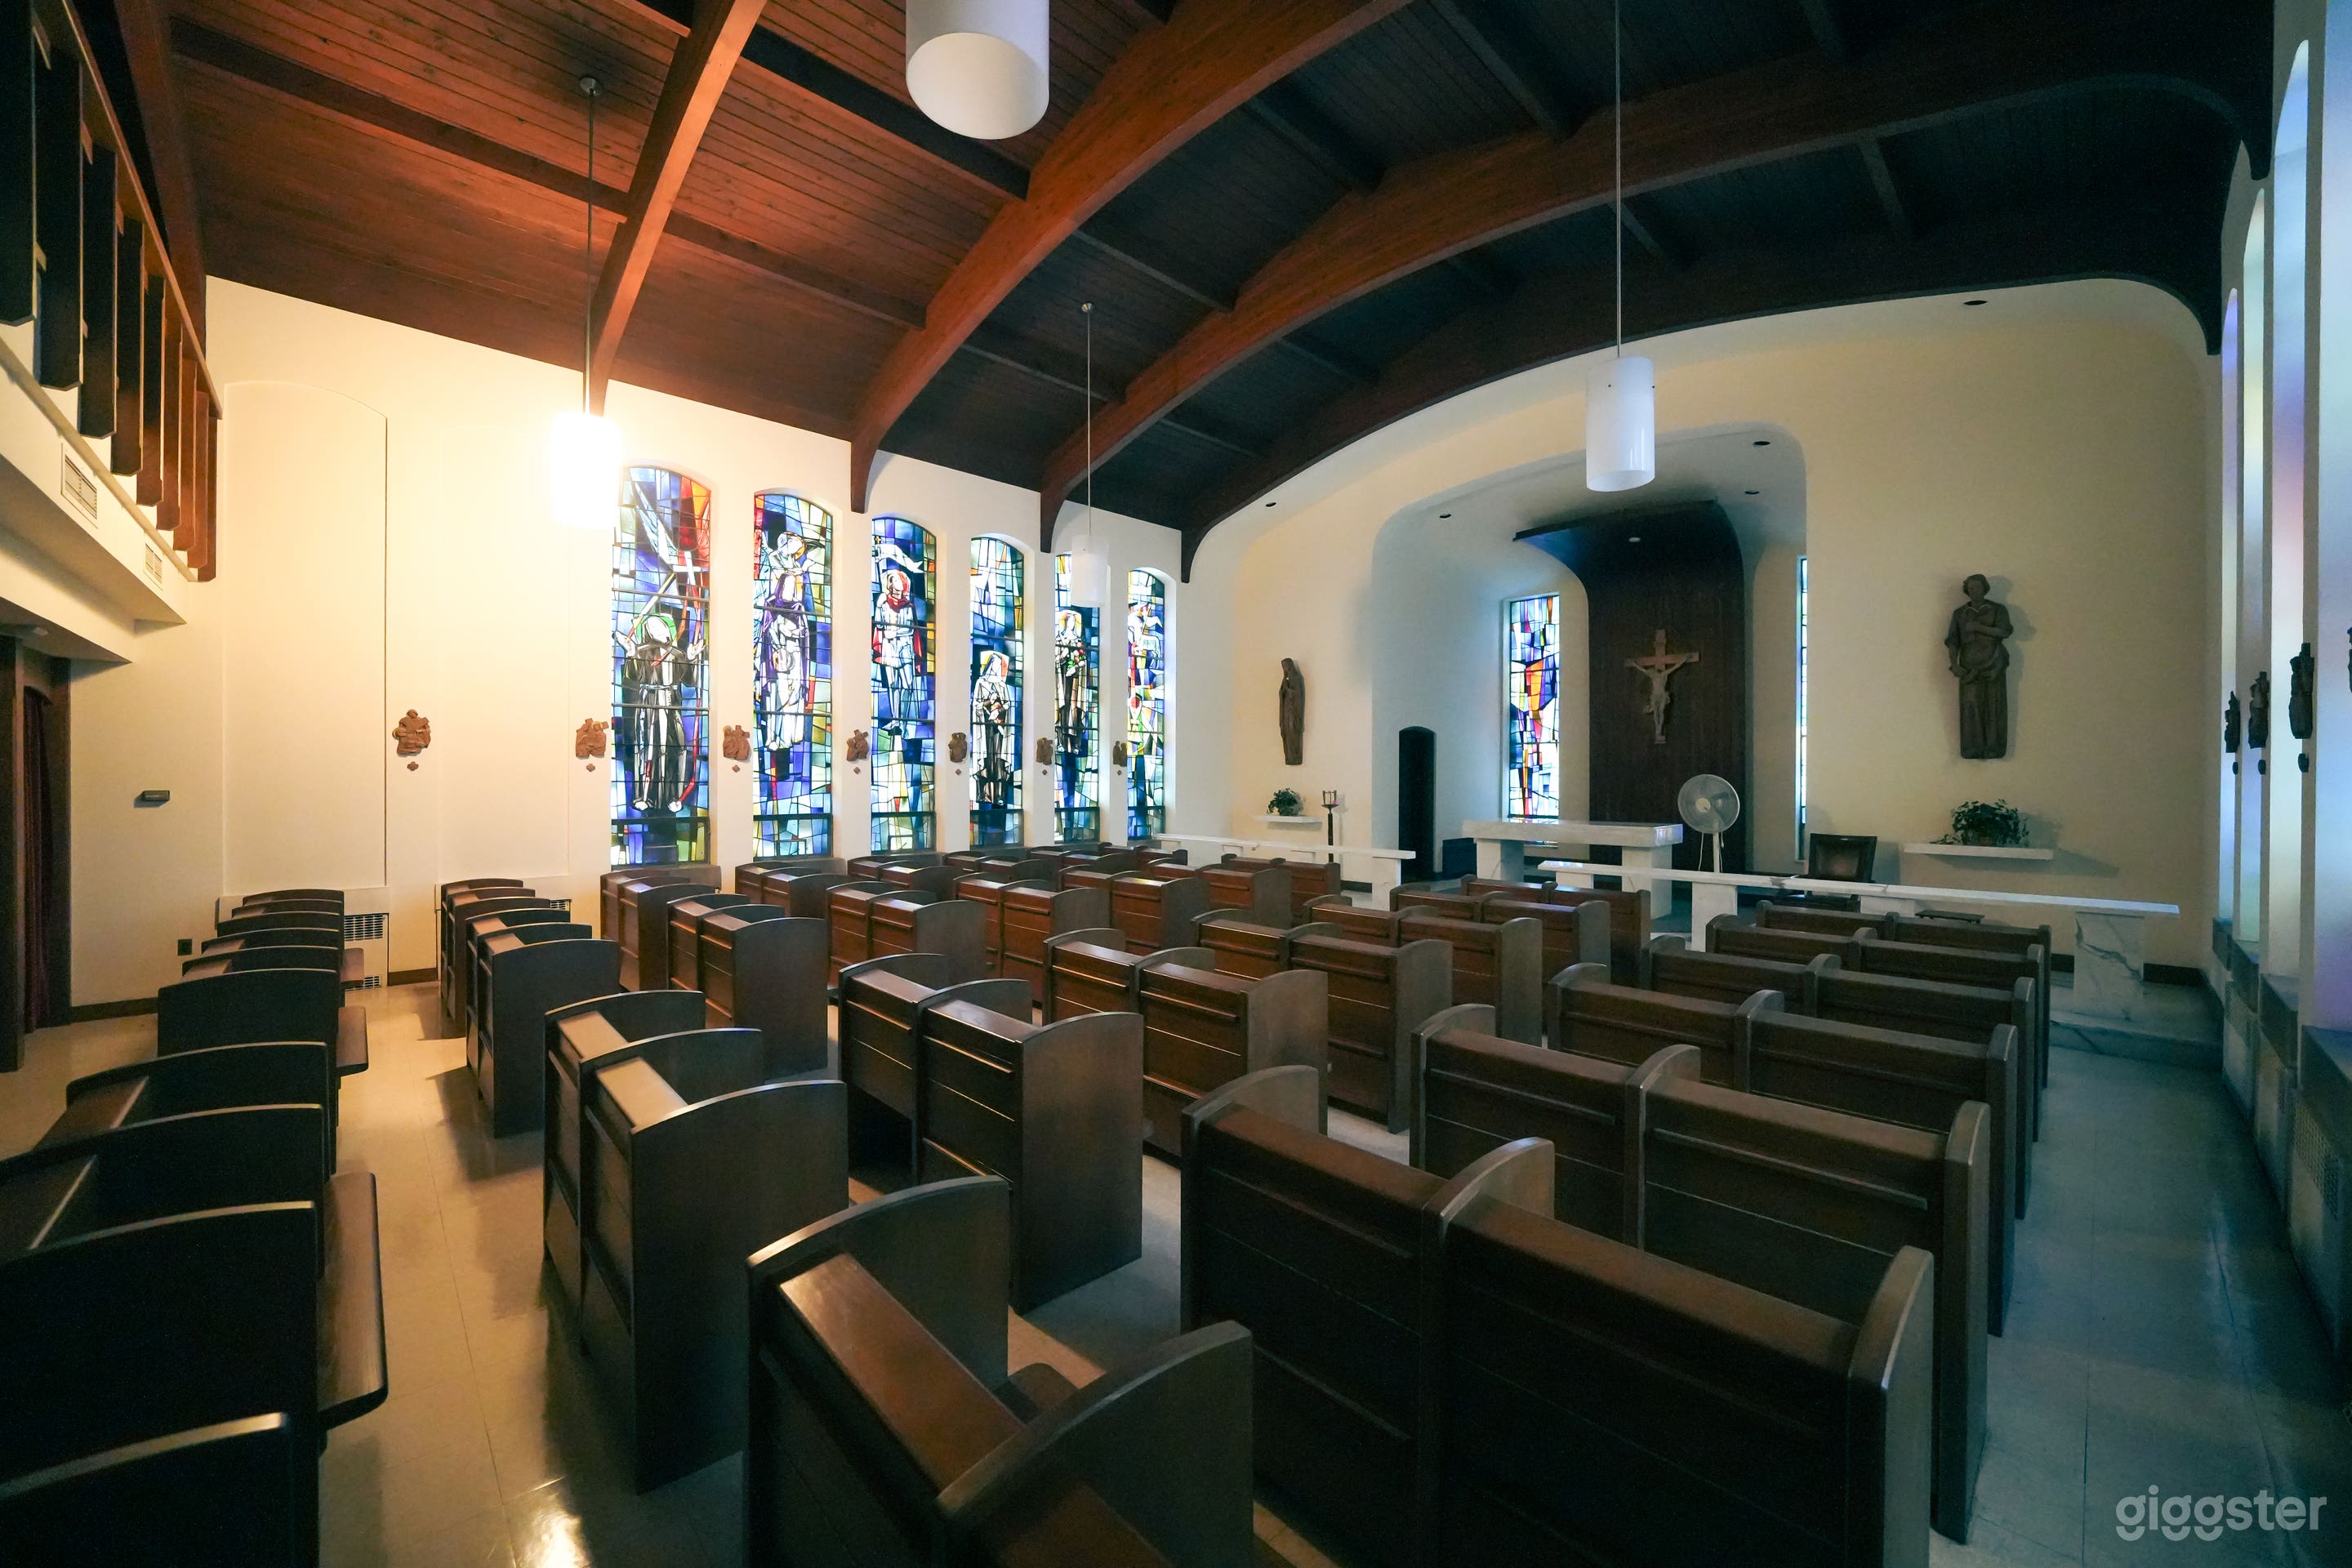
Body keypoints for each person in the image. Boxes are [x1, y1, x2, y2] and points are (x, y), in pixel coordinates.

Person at [1945, 574, 2014, 760]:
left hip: (1994, 665)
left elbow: (2005, 631)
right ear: (1967, 591)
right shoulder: (1959, 613)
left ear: (1985, 588)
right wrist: (1954, 665)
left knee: (1994, 705)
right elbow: (1952, 641)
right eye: (1971, 588)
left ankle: (1994, 748)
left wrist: (1978, 627)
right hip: (1969, 669)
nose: (1975, 591)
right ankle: (1972, 748)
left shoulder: (1998, 609)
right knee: (1970, 706)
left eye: (1978, 587)